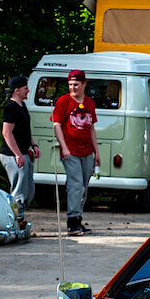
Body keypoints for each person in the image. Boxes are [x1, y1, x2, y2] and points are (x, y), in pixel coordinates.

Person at [52, 69, 100, 236]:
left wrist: (97, 152)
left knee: (84, 187)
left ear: (84, 84)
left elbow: (92, 128)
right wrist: (63, 147)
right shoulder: (63, 101)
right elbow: (56, 125)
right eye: (70, 84)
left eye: (76, 85)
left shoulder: (89, 103)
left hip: (87, 151)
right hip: (70, 151)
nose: (72, 88)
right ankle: (72, 221)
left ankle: (78, 218)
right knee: (75, 185)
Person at [0, 75, 39, 227]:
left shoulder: (22, 106)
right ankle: (15, 223)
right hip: (12, 155)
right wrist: (17, 154)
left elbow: (25, 131)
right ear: (17, 90)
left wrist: (33, 145)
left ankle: (20, 220)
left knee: (28, 190)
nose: (28, 90)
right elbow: (6, 133)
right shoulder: (11, 107)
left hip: (23, 153)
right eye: (25, 88)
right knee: (19, 191)